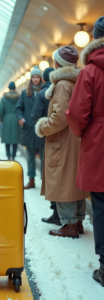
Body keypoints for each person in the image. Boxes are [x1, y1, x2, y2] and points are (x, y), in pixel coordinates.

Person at [35, 46, 89, 238]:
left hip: (63, 140)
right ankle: (79, 221)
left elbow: (59, 118)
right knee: (76, 181)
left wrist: (43, 127)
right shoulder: (78, 81)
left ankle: (69, 224)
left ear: (57, 64)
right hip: (77, 138)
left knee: (63, 180)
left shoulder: (62, 84)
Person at [66, 16, 104, 284]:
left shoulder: (90, 72)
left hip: (99, 144)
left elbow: (78, 113)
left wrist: (85, 133)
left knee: (101, 205)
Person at [31, 67, 60, 225]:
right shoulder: (62, 88)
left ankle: (56, 211)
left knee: (50, 173)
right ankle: (72, 216)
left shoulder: (42, 93)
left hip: (48, 137)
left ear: (42, 79)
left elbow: (36, 115)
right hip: (66, 137)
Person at [15, 66, 43, 189]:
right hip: (29, 128)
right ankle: (31, 180)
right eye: (33, 77)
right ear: (31, 79)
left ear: (40, 78)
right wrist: (21, 119)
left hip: (42, 128)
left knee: (44, 156)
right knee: (30, 156)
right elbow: (18, 108)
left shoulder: (45, 92)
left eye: (37, 77)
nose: (35, 79)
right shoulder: (25, 93)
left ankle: (45, 181)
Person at [0, 82, 21, 160]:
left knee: (7, 138)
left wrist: (1, 119)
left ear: (8, 89)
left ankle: (8, 155)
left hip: (6, 118)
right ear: (15, 88)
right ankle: (13, 156)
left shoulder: (4, 98)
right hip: (16, 118)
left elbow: (0, 110)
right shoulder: (19, 97)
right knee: (15, 138)